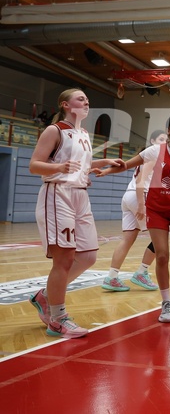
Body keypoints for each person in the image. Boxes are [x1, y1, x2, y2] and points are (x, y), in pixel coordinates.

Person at [28, 88, 125, 339]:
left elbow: (80, 166)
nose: (86, 101)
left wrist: (103, 163)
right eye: (80, 98)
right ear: (65, 104)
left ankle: (45, 296)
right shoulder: (55, 130)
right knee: (64, 259)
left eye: (86, 98)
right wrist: (58, 166)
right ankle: (57, 319)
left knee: (89, 256)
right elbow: (34, 165)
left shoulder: (82, 133)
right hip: (58, 193)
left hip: (80, 195)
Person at [98, 114, 170, 322]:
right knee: (161, 255)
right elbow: (127, 165)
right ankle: (166, 302)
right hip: (157, 210)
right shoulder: (154, 151)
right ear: (168, 130)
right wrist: (106, 171)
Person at [101, 130, 167, 292]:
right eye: (161, 139)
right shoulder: (153, 156)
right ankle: (142, 272)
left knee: (127, 240)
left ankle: (112, 277)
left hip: (128, 197)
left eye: (166, 139)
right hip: (139, 197)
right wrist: (141, 204)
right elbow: (140, 181)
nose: (164, 142)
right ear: (152, 141)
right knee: (161, 237)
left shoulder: (149, 157)